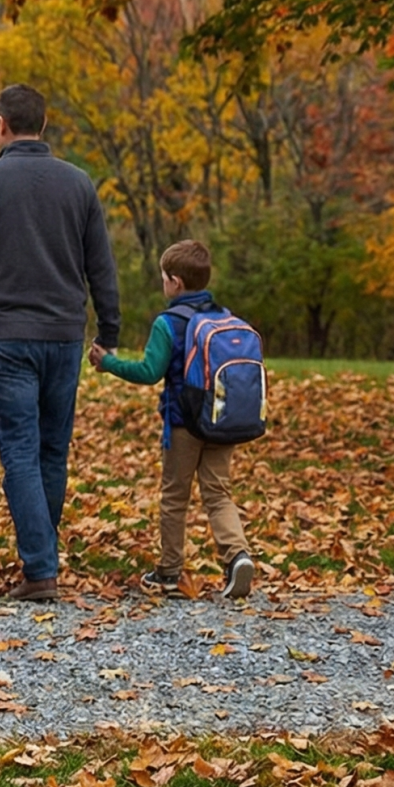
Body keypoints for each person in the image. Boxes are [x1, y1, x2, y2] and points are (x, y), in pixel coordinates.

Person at [0, 84, 121, 602]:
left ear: (1, 124)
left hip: (10, 335)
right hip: (64, 335)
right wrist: (108, 330)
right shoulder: (78, 184)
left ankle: (41, 567)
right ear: (42, 125)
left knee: (20, 451)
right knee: (52, 451)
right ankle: (41, 555)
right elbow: (100, 266)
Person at [89, 240, 258, 599]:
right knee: (218, 493)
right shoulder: (222, 316)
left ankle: (168, 572)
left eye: (164, 278)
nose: (163, 283)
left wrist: (108, 363)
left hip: (184, 424)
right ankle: (238, 556)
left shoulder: (168, 323)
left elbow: (149, 371)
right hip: (221, 419)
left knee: (175, 497)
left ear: (176, 282)